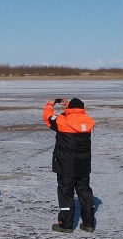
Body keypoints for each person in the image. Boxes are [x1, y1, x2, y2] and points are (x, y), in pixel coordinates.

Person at [43, 97, 96, 233]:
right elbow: (77, 117)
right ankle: (89, 224)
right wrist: (68, 106)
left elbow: (48, 117)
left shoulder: (62, 121)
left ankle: (66, 225)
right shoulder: (89, 121)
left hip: (66, 166)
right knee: (85, 192)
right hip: (84, 166)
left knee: (66, 194)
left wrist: (51, 103)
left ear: (69, 109)